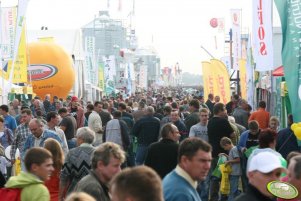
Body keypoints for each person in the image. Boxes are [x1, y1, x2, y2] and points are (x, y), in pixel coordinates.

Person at [207, 103, 234, 201]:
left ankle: (213, 197)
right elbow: (232, 134)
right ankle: (224, 197)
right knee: (225, 176)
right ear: (220, 111)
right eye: (225, 110)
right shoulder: (224, 121)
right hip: (224, 153)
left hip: (213, 153)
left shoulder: (210, 122)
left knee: (214, 176)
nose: (226, 111)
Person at [59, 127, 96, 199]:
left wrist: (60, 197)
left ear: (81, 138)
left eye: (77, 137)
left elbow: (64, 176)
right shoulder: (99, 152)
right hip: (94, 193)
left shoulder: (72, 153)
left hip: (75, 193)